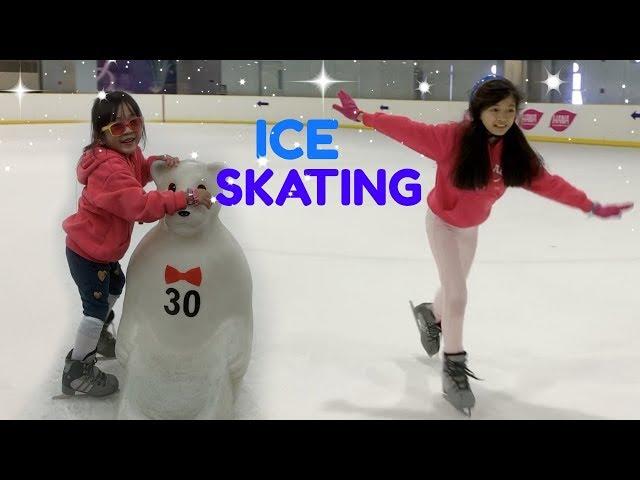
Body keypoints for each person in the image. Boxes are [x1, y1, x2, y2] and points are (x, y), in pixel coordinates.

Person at [332, 77, 634, 415]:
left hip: (470, 229)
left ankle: (429, 315)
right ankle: (454, 366)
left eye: (510, 110)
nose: (503, 117)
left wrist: (588, 205)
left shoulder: (515, 152)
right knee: (458, 294)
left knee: (451, 290)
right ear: (478, 111)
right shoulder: (451, 138)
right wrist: (362, 116)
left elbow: (549, 184)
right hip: (442, 224)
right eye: (495, 110)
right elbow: (407, 129)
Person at [61, 91, 212, 396]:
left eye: (135, 122)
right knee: (94, 308)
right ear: (101, 134)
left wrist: (157, 163)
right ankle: (77, 369)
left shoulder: (124, 157)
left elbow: (139, 172)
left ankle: (100, 333)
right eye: (117, 127)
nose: (129, 130)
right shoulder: (109, 170)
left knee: (116, 286)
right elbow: (140, 205)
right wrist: (187, 197)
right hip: (88, 254)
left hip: (101, 251)